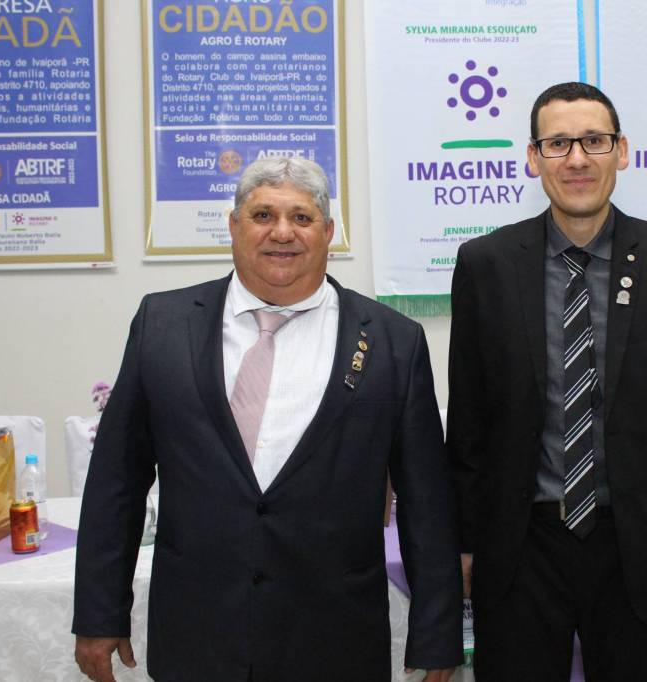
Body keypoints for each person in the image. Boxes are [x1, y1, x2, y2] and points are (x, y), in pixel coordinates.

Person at [73, 157, 462, 682]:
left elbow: (427, 503)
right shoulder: (162, 324)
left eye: (301, 217)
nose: (282, 232)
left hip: (335, 641)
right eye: (262, 216)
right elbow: (116, 481)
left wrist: (437, 633)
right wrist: (99, 613)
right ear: (233, 226)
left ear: (328, 232)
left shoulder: (395, 341)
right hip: (197, 635)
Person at [447, 82, 647, 680]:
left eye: (594, 141)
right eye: (558, 144)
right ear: (533, 158)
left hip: (640, 549)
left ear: (621, 151)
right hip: (520, 547)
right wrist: (466, 542)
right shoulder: (485, 264)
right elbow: (469, 423)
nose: (577, 159)